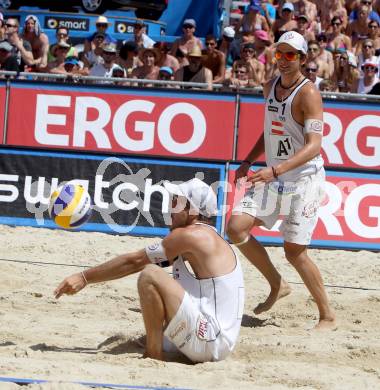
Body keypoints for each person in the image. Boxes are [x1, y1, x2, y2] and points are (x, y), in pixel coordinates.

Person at [54, 178, 245, 363]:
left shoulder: (190, 236)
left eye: (176, 202)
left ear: (192, 209)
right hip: (217, 340)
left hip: (211, 341)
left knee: (149, 275)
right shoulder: (204, 237)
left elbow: (134, 262)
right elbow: (139, 263)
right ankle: (163, 343)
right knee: (154, 276)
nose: (170, 207)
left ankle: (153, 355)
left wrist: (84, 277)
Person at [226, 31, 336, 331]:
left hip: (304, 179)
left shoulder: (309, 93)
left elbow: (314, 145)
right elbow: (271, 131)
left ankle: (327, 315)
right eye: (280, 54)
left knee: (294, 251)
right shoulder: (269, 87)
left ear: (302, 58)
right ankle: (278, 284)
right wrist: (248, 161)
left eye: (291, 55)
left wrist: (273, 171)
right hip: (275, 175)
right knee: (235, 228)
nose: (284, 60)